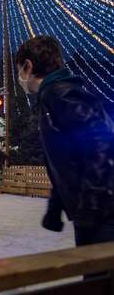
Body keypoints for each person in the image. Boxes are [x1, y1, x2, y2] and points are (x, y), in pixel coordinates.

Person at [16, 36, 114, 249]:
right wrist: (55, 206)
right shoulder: (56, 95)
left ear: (28, 66)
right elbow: (69, 159)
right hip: (96, 211)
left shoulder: (61, 94)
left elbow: (101, 144)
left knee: (100, 279)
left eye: (19, 70)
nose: (20, 78)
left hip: (104, 213)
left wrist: (92, 205)